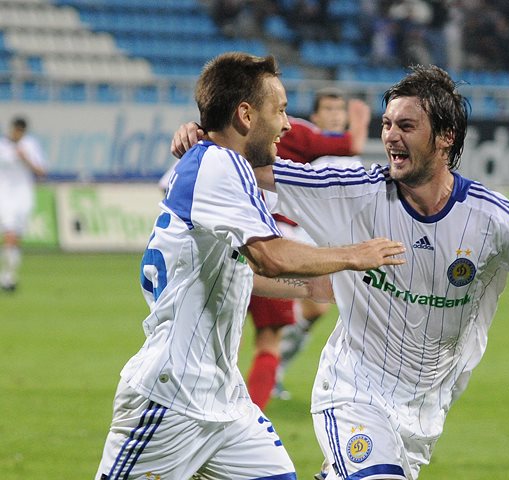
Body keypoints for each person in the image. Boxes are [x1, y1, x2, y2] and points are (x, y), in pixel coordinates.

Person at [172, 64, 509, 480]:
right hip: (352, 393)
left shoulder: (494, 220)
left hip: (425, 411)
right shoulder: (352, 191)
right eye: (387, 124)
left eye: (407, 126)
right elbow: (248, 169)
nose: (391, 136)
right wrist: (204, 141)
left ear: (446, 136)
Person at [95, 52, 406, 480]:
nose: (287, 124)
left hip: (225, 399)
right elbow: (270, 256)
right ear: (245, 114)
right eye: (279, 111)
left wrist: (316, 285)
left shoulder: (222, 164)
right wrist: (355, 255)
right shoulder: (218, 165)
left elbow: (239, 270)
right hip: (171, 397)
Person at [248, 87, 370, 408]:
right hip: (283, 236)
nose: (335, 115)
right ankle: (266, 379)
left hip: (310, 238)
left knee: (315, 306)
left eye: (339, 110)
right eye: (328, 109)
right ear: (316, 115)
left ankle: (274, 369)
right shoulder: (307, 141)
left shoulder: (348, 161)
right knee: (299, 310)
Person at [0, 116, 47, 292]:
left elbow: (41, 171)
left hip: (24, 196)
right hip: (5, 195)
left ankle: (10, 273)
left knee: (17, 237)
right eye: (16, 130)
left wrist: (25, 158)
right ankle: (7, 277)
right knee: (10, 233)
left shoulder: (30, 145)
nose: (18, 133)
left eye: (21, 131)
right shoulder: (2, 146)